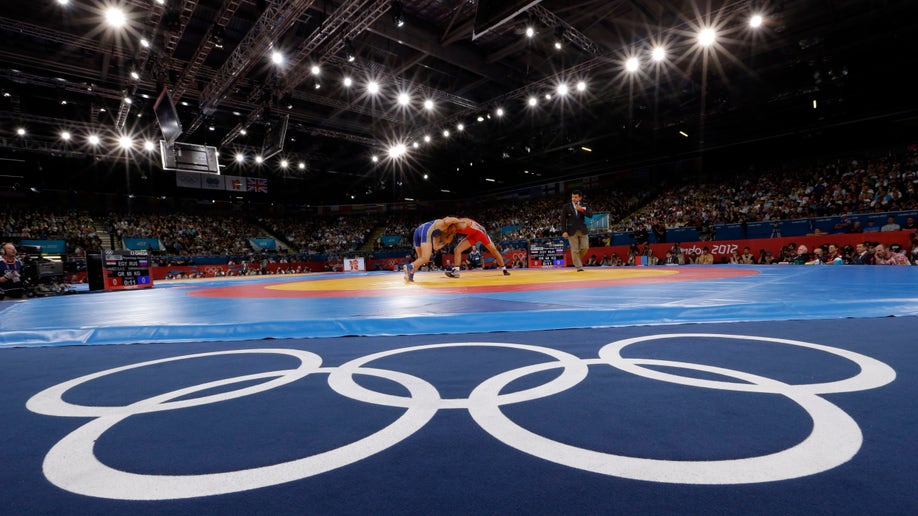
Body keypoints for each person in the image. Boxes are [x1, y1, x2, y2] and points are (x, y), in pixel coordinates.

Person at [444, 217, 510, 278]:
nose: (451, 232)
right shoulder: (452, 228)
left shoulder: (462, 223)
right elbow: (448, 238)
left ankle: (504, 269)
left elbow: (462, 226)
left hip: (481, 233)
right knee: (457, 250)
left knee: (494, 251)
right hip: (473, 235)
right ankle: (456, 271)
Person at [404, 217, 460, 282]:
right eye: (453, 231)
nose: (453, 232)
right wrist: (460, 221)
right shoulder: (445, 224)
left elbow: (436, 247)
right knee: (425, 258)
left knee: (420, 259)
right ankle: (409, 266)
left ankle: (410, 275)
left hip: (418, 231)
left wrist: (445, 243)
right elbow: (448, 220)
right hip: (425, 230)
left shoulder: (438, 233)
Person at [560, 190, 593, 271]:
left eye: (575, 197)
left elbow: (590, 215)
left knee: (585, 247)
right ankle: (579, 267)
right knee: (575, 249)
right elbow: (563, 220)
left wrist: (581, 210)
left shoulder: (584, 205)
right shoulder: (566, 207)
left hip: (583, 229)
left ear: (580, 198)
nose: (573, 199)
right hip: (571, 230)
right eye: (572, 197)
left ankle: (576, 260)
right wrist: (564, 231)